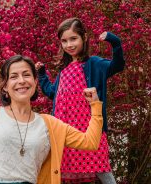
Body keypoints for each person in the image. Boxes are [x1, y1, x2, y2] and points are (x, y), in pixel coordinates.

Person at [0, 55, 103, 184]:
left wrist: (95, 106)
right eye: (14, 76)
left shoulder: (50, 125)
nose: (21, 81)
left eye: (26, 75)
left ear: (35, 81)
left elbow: (90, 142)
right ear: (4, 85)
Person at [36, 18, 125, 184]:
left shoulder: (94, 64)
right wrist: (42, 74)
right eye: (64, 41)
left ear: (84, 37)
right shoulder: (64, 71)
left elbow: (118, 65)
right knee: (61, 174)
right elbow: (51, 92)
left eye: (73, 39)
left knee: (103, 172)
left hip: (90, 133)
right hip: (66, 134)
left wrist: (114, 41)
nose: (69, 44)